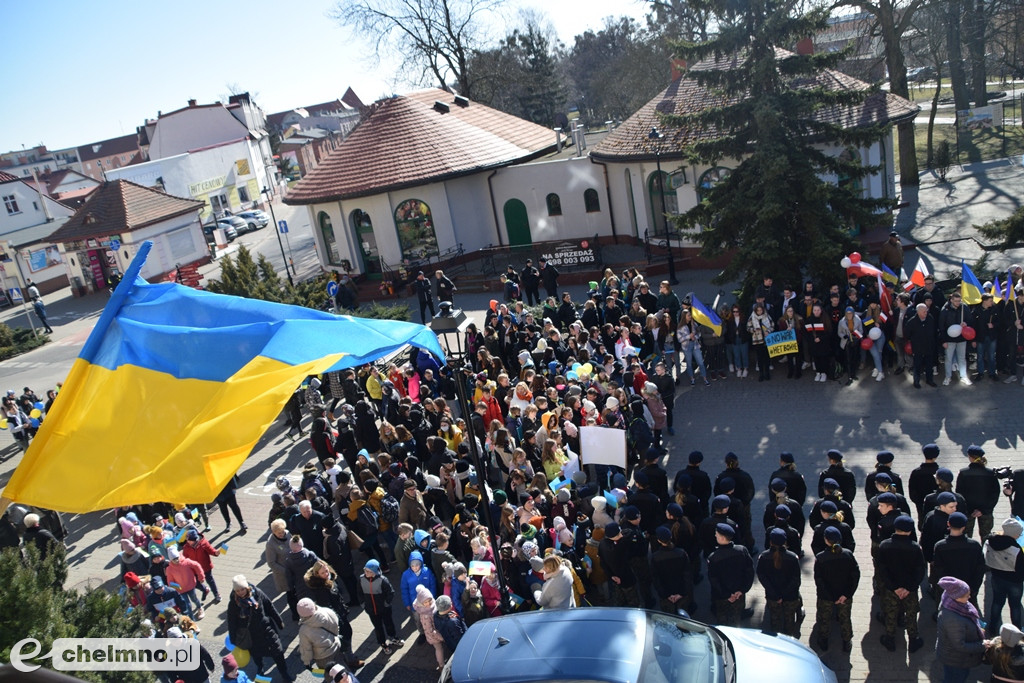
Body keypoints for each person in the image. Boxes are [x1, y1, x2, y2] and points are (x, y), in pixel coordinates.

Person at [227, 574, 293, 682]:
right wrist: (233, 639)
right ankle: (260, 668)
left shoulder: (257, 593)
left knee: (278, 652)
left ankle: (284, 672)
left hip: (266, 630)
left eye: (242, 589)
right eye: (237, 591)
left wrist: (279, 621)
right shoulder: (234, 603)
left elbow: (269, 605)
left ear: (247, 587)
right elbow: (232, 622)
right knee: (256, 655)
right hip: (250, 635)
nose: (240, 592)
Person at [876, 515, 926, 653]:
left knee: (890, 613)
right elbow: (920, 569)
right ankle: (913, 640)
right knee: (910, 614)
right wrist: (910, 587)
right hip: (909, 589)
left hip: (891, 589)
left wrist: (894, 587)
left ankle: (890, 639)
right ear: (910, 531)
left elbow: (882, 569)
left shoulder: (885, 545)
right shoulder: (915, 548)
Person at [813, 526, 859, 652]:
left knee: (824, 618)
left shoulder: (821, 557)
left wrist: (830, 597)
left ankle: (823, 641)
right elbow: (855, 576)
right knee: (845, 618)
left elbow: (819, 580)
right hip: (844, 596)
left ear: (826, 540)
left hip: (826, 597)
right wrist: (847, 594)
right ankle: (846, 641)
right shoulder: (848, 554)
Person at [935, 576, 988, 683]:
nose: (969, 598)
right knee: (956, 678)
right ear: (956, 597)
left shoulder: (954, 604)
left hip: (957, 658)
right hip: (955, 659)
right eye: (966, 596)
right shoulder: (952, 619)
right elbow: (960, 645)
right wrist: (982, 645)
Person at [756, 528, 802, 637]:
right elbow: (796, 579)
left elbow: (762, 577)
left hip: (773, 596)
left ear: (770, 541)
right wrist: (784, 594)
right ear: (785, 542)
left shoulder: (764, 556)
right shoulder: (793, 557)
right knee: (789, 619)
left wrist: (776, 594)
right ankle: (789, 639)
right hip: (790, 596)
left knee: (775, 619)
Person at [707, 523, 755, 627]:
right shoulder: (742, 550)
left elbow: (713, 579)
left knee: (722, 621)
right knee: (736, 619)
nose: (715, 535)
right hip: (739, 596)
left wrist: (726, 594)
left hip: (721, 596)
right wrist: (742, 590)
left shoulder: (714, 557)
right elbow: (749, 572)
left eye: (717, 534)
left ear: (722, 538)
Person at [984, 518, 1024, 638]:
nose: (1020, 535)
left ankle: (992, 627)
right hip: (1014, 582)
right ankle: (1017, 629)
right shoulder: (1016, 550)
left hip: (997, 578)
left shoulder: (990, 541)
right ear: (1014, 533)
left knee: (997, 602)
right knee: (1015, 606)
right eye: (1019, 532)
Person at [360, 559, 403, 655]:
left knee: (389, 624)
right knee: (378, 628)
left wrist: (386, 604)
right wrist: (363, 605)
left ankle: (392, 637)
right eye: (365, 570)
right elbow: (359, 594)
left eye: (369, 571)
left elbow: (390, 593)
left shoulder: (382, 580)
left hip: (384, 609)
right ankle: (383, 643)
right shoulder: (361, 579)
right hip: (371, 610)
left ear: (375, 572)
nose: (366, 573)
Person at [957, 444, 1000, 539]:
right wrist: (983, 510)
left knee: (966, 536)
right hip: (986, 511)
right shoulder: (990, 473)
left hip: (968, 511)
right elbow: (995, 494)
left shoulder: (963, 473)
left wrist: (970, 510)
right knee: (987, 536)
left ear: (970, 457)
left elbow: (959, 494)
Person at [651, 525, 693, 615]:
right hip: (681, 592)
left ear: (658, 540)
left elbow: (655, 578)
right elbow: (687, 574)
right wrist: (682, 592)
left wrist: (665, 594)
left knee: (668, 619)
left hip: (666, 594)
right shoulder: (681, 553)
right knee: (683, 618)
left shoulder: (655, 557)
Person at [905, 303, 938, 388]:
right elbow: (907, 334)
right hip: (918, 347)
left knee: (929, 365)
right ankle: (916, 381)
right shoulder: (912, 321)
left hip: (929, 346)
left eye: (926, 311)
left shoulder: (930, 318)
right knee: (917, 365)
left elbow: (934, 331)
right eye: (924, 311)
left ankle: (929, 380)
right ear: (918, 312)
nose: (926, 313)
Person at [413, 585, 447, 670]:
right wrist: (440, 637)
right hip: (434, 635)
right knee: (439, 649)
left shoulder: (433, 605)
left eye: (429, 601)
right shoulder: (425, 615)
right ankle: (441, 665)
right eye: (425, 602)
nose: (428, 604)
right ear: (421, 603)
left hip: (438, 631)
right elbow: (430, 630)